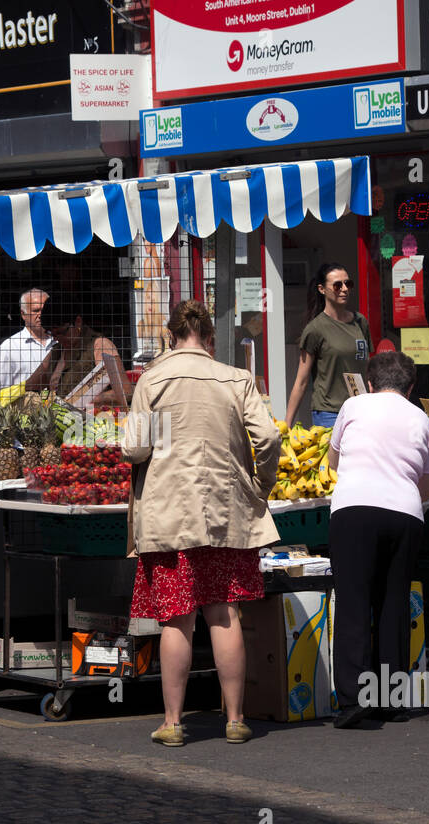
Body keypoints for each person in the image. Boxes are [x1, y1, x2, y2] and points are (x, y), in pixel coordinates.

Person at [122, 300, 280, 747]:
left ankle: (173, 723)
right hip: (227, 511)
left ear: (171, 336)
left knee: (177, 619)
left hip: (170, 511)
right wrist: (259, 482)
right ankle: (235, 719)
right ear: (209, 338)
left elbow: (135, 450)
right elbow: (267, 437)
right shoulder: (236, 378)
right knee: (224, 612)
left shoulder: (153, 379)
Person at [325, 351, 429, 729]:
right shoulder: (422, 419)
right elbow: (427, 486)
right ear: (410, 386)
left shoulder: (353, 405)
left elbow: (334, 463)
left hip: (353, 509)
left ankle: (355, 699)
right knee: (394, 604)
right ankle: (391, 698)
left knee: (354, 602)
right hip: (404, 513)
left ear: (370, 383)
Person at [285, 262, 372, 429]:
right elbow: (301, 381)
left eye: (348, 283)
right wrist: (287, 425)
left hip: (361, 410)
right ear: (322, 289)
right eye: (337, 285)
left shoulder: (361, 322)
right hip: (329, 413)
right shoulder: (315, 329)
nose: (345, 289)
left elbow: (369, 369)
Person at [30, 302, 132, 406]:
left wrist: (82, 402)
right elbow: (31, 386)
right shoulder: (56, 352)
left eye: (61, 332)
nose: (57, 338)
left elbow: (126, 391)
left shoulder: (100, 345)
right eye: (52, 334)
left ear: (78, 322)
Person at [0, 288, 54, 390]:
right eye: (36, 310)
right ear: (23, 314)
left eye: (44, 310)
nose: (40, 315)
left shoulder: (61, 341)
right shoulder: (10, 347)